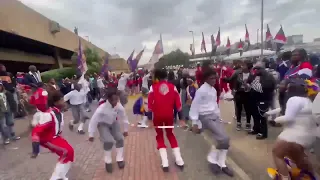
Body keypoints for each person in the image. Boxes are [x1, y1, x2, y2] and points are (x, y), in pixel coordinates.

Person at [266, 79, 318, 180]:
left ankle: (285, 177)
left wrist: (275, 120)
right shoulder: (308, 101)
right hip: (309, 137)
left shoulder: (294, 99)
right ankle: (314, 176)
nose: (286, 90)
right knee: (298, 158)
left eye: (288, 87)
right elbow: (284, 110)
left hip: (294, 135)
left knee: (277, 153)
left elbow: (289, 117)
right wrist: (269, 113)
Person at [189, 69, 233, 176]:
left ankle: (222, 163)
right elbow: (194, 106)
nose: (214, 80)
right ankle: (212, 159)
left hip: (214, 116)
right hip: (205, 117)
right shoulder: (201, 91)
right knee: (223, 138)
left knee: (225, 140)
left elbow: (214, 105)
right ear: (205, 79)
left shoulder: (213, 90)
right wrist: (194, 123)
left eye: (215, 78)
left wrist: (219, 117)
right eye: (211, 78)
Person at [148, 68, 186, 172]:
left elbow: (150, 105)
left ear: (157, 77)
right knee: (170, 135)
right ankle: (179, 160)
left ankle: (165, 162)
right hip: (169, 115)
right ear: (166, 76)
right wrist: (182, 118)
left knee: (159, 136)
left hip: (157, 116)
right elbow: (178, 105)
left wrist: (149, 120)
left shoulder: (152, 87)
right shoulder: (173, 87)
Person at [31, 90, 74, 180]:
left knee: (70, 152)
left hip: (55, 137)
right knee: (66, 152)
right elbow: (36, 131)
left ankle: (61, 175)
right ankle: (54, 178)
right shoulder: (48, 114)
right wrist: (35, 149)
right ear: (56, 102)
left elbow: (57, 129)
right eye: (61, 100)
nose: (64, 102)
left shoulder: (58, 112)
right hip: (47, 139)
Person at [88, 89, 129, 173]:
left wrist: (126, 129)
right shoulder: (101, 108)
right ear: (108, 99)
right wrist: (91, 134)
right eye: (113, 100)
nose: (115, 102)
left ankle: (120, 159)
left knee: (120, 139)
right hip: (103, 124)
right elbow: (93, 121)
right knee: (108, 141)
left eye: (116, 99)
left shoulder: (118, 105)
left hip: (114, 122)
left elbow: (124, 117)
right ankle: (108, 161)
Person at [247, 63, 276, 139]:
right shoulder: (254, 75)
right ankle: (256, 129)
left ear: (262, 69)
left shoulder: (268, 76)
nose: (256, 70)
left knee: (262, 116)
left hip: (264, 99)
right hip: (254, 99)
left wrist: (254, 84)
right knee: (255, 115)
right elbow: (248, 82)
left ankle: (263, 133)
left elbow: (266, 88)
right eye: (255, 68)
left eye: (258, 68)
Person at [223, 60, 253, 131]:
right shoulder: (238, 74)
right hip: (239, 94)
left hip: (248, 94)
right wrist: (224, 79)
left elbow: (253, 86)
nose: (242, 66)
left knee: (248, 109)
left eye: (244, 65)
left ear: (248, 67)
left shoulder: (252, 76)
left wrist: (248, 86)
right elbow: (232, 81)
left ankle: (248, 123)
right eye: (242, 65)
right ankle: (238, 123)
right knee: (238, 109)